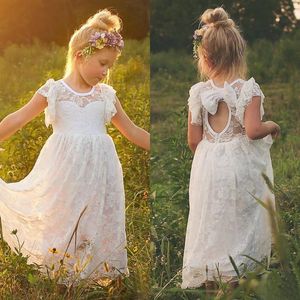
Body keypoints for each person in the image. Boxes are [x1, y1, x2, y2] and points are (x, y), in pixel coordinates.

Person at [0, 9, 150, 285]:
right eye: (103, 63)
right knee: (62, 219)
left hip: (100, 173)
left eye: (111, 66)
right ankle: (61, 279)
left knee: (96, 220)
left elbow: (132, 131)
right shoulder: (55, 91)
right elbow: (17, 118)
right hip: (64, 171)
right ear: (80, 55)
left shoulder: (106, 96)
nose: (106, 72)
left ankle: (95, 277)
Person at [181, 7, 280, 290]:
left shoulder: (198, 92)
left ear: (205, 56)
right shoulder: (248, 89)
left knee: (212, 218)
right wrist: (271, 124)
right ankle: (237, 279)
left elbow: (193, 140)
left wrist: (210, 155)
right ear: (239, 53)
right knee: (240, 219)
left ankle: (212, 280)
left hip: (209, 163)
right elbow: (252, 131)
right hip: (238, 165)